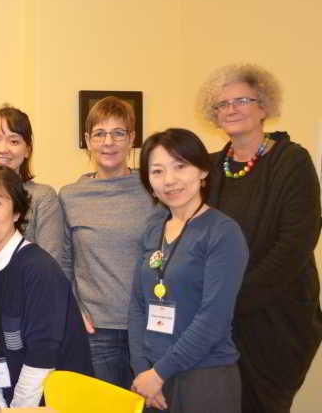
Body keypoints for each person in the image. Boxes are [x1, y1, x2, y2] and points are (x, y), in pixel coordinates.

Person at [198, 63, 322, 413]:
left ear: (264, 106)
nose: (232, 109)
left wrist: (231, 299)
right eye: (223, 104)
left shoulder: (291, 161)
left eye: (242, 100)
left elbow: (295, 245)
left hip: (275, 322)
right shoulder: (210, 167)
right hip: (221, 325)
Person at [129, 128, 247, 412]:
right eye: (157, 171)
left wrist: (159, 374)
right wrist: (141, 369)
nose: (169, 180)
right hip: (150, 381)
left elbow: (214, 318)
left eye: (180, 166)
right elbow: (137, 305)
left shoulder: (223, 232)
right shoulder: (153, 228)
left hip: (204, 378)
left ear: (203, 171)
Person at [0, 163, 92, 410]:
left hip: (56, 400)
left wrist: (17, 409)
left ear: (17, 212)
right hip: (10, 400)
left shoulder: (39, 269)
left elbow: (42, 356)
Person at [58, 96, 162, 389]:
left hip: (148, 327)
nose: (109, 142)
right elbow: (65, 262)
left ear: (132, 139)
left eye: (119, 133)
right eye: (100, 133)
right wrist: (74, 308)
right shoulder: (70, 195)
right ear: (87, 140)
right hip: (96, 331)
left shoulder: (154, 192)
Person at [0, 105, 62, 258]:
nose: (3, 149)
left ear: (27, 150)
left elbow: (52, 262)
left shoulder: (43, 197)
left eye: (14, 142)